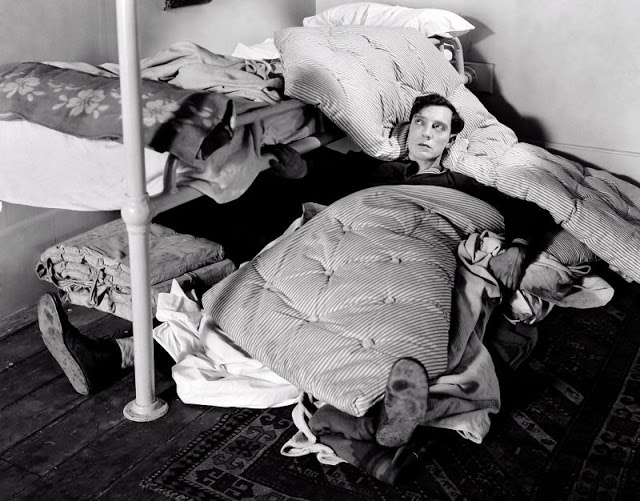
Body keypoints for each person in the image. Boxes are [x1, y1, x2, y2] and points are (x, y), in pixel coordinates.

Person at [36, 93, 557, 484]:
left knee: (387, 322)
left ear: (450, 140)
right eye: (420, 122)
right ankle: (112, 356)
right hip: (345, 229)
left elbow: (533, 209)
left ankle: (379, 410)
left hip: (421, 238)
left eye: (438, 127)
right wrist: (300, 168)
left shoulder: (465, 184)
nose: (426, 132)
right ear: (406, 129)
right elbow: (325, 177)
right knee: (240, 298)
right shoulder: (375, 169)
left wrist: (516, 245)